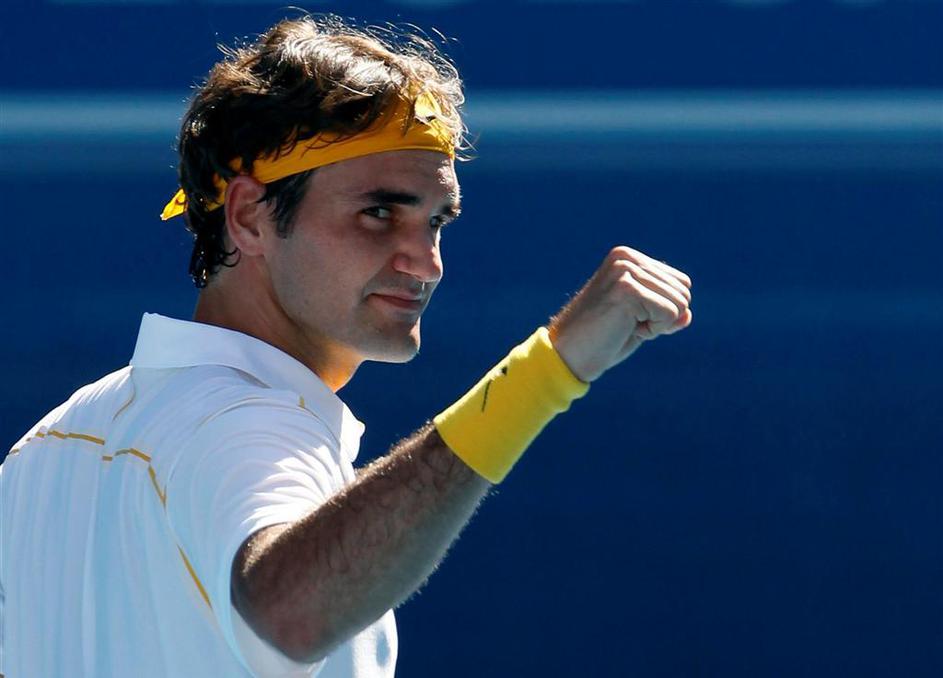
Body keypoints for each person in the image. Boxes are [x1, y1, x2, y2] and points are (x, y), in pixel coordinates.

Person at [0, 14, 693, 678]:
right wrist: (549, 370)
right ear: (248, 216)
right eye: (379, 213)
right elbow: (290, 615)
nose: (426, 263)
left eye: (436, 222)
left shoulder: (44, 451)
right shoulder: (243, 421)